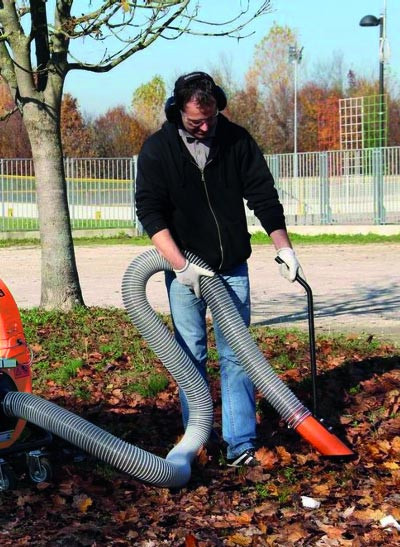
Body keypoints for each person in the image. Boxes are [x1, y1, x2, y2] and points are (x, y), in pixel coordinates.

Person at [135, 71, 304, 467]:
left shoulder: (235, 140)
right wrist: (180, 265)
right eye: (197, 121)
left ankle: (240, 443)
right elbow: (149, 211)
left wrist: (284, 248)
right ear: (178, 111)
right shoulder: (158, 149)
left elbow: (263, 195)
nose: (206, 126)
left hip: (231, 267)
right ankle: (197, 439)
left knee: (238, 354)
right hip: (183, 269)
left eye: (211, 117)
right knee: (189, 354)